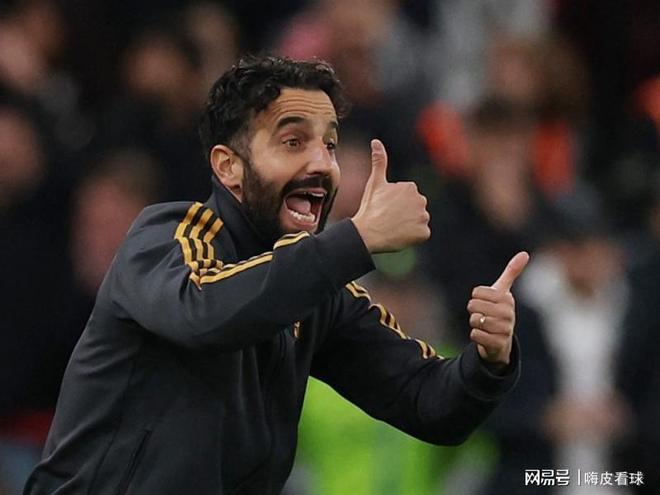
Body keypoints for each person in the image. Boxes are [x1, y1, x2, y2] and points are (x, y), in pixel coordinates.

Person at [24, 55, 528, 495]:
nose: (322, 164)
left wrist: (489, 359)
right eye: (293, 141)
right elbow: (205, 314)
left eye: (330, 145)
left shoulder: (319, 289)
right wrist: (357, 239)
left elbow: (429, 402)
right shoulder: (164, 238)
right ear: (228, 167)